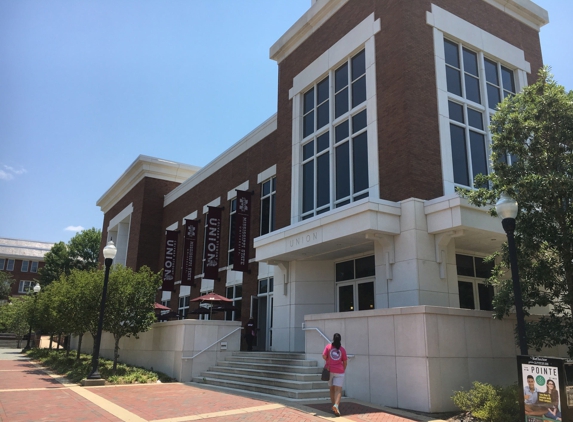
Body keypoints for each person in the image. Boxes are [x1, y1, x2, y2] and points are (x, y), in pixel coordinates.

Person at [322, 333, 348, 417]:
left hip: (329, 371)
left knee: (332, 389)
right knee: (338, 390)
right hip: (339, 371)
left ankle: (333, 405)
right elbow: (345, 362)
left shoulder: (328, 347)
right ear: (340, 340)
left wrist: (328, 360)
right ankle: (336, 406)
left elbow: (324, 356)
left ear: (333, 339)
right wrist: (343, 369)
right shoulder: (342, 350)